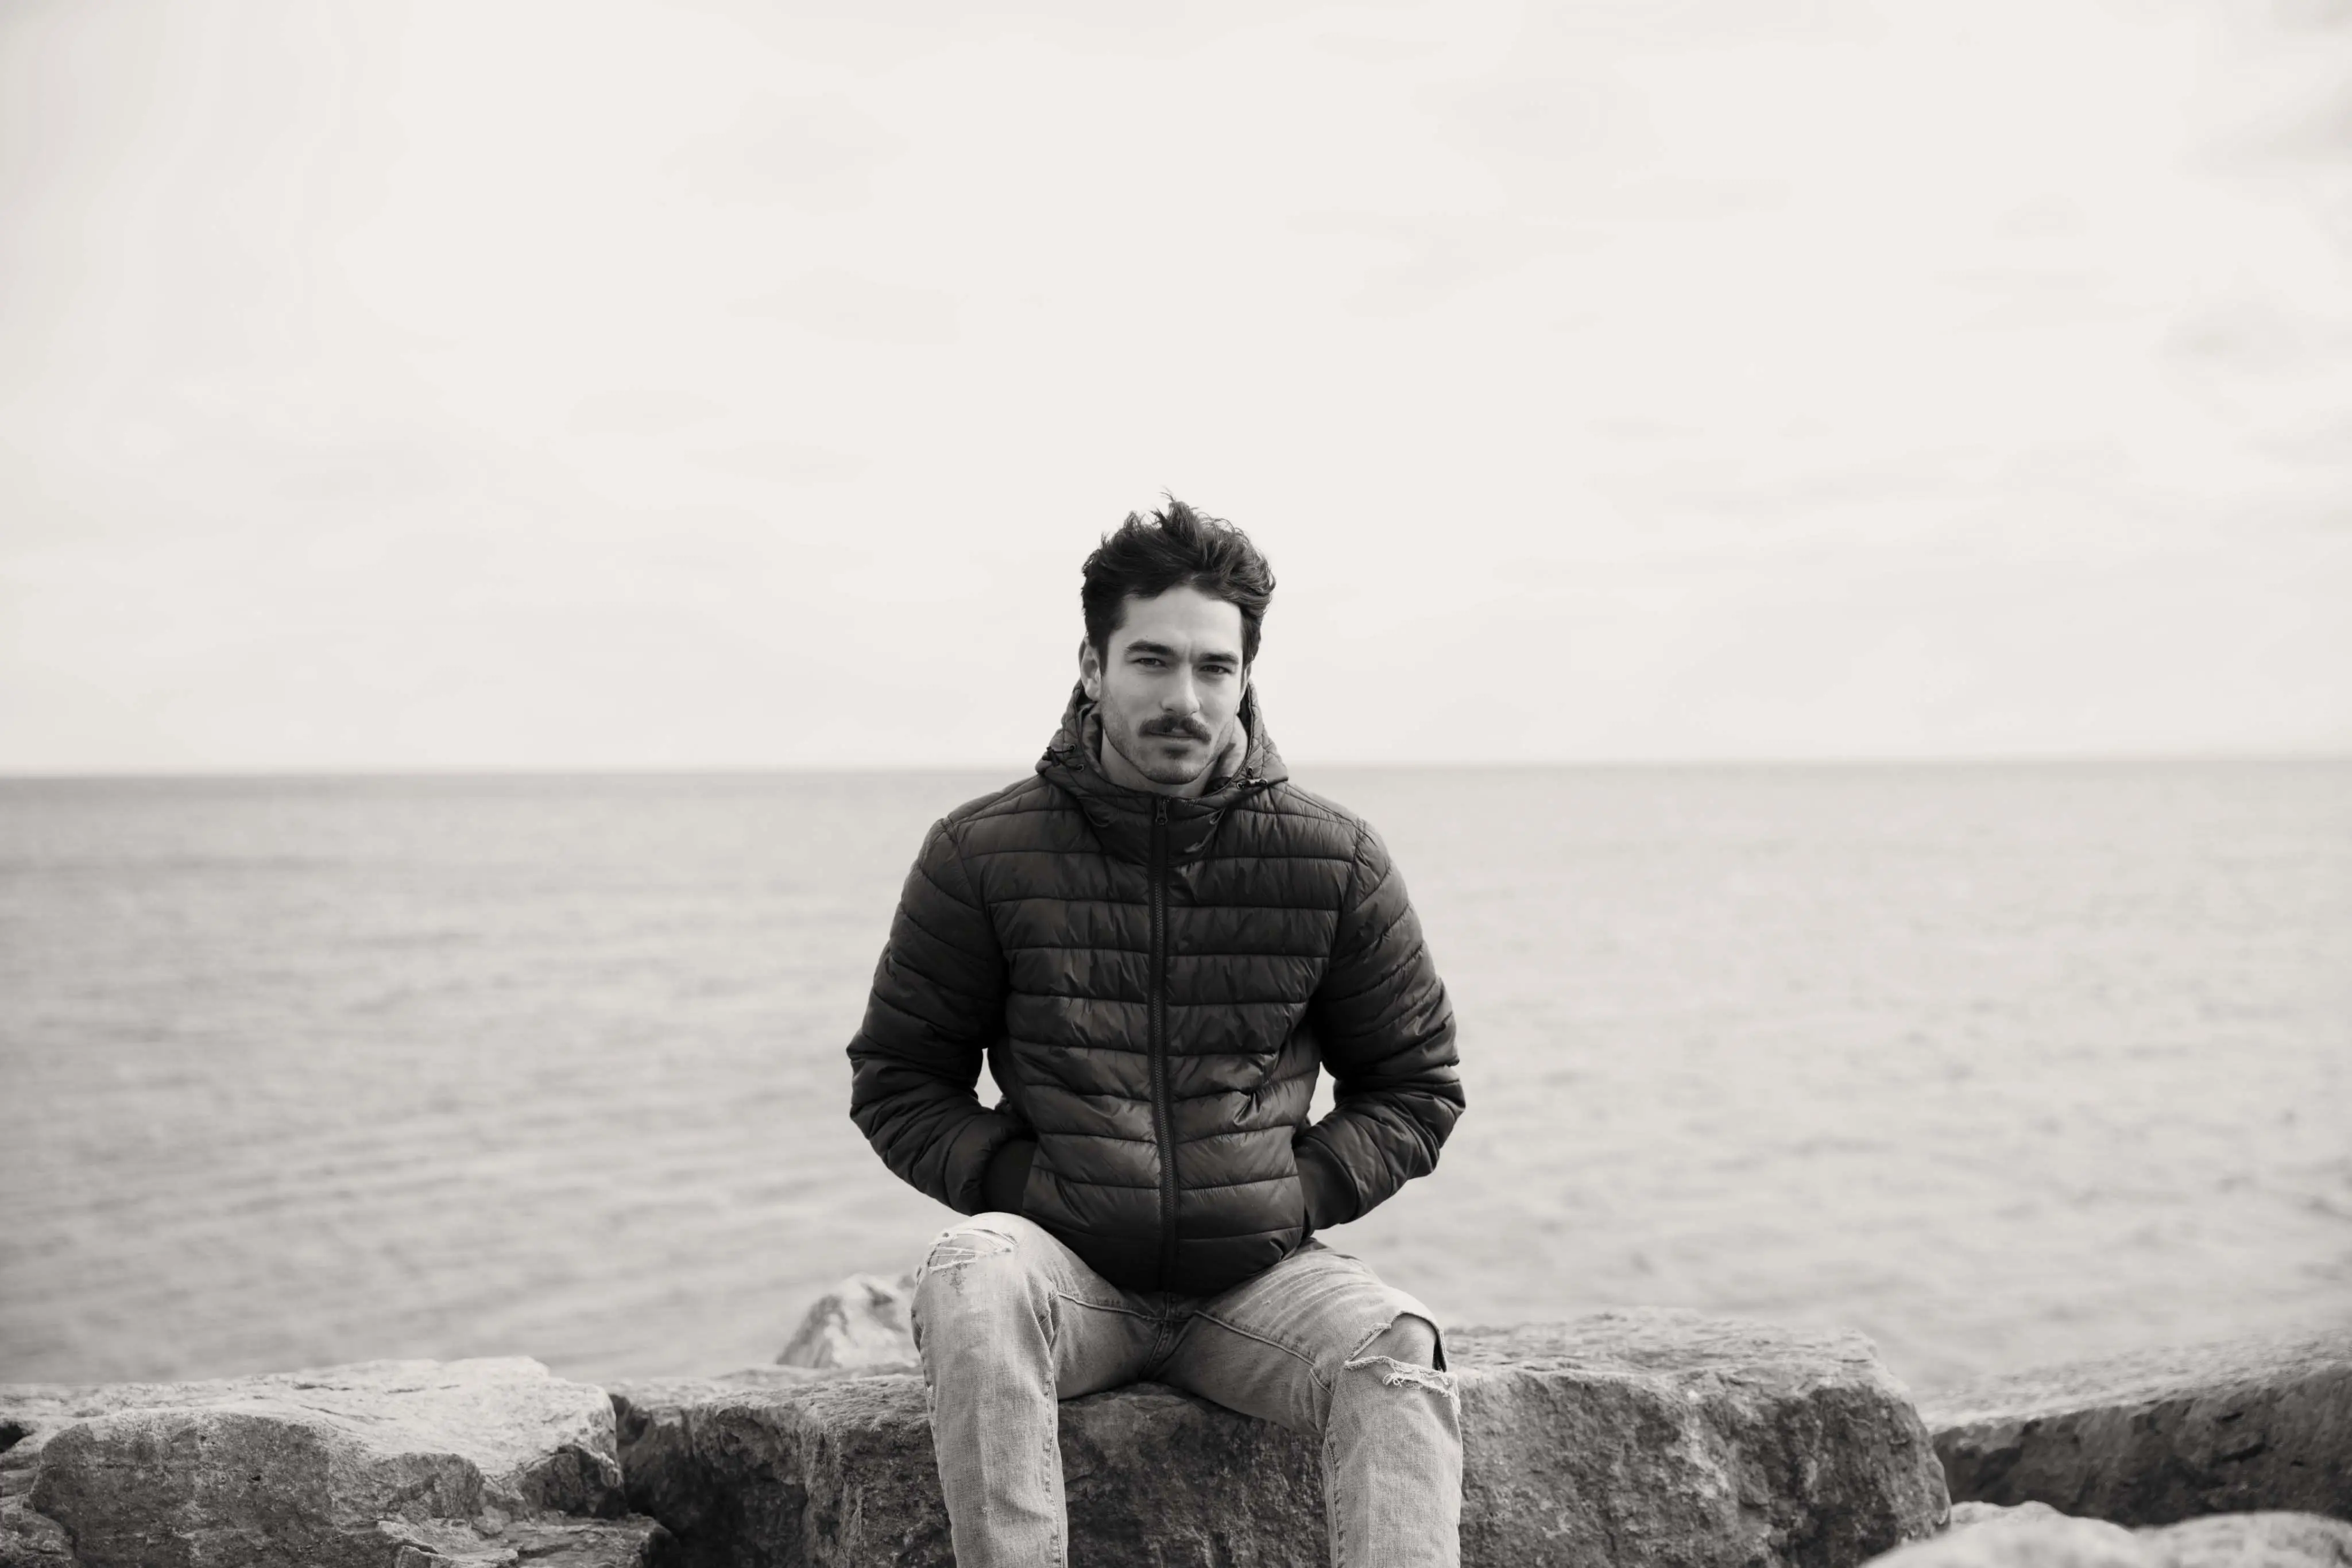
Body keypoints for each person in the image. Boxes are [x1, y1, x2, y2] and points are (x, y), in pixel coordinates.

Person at [845, 498, 1467, 1567]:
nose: (1185, 698)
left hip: (1259, 1287)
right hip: (1067, 1280)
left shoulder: (1333, 859)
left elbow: (1416, 1086)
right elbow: (901, 1081)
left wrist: (1299, 1194)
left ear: (1245, 677)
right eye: (1152, 661)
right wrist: (1024, 1188)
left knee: (1398, 1345)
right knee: (970, 1270)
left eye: (1214, 668)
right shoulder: (982, 853)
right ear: (1092, 664)